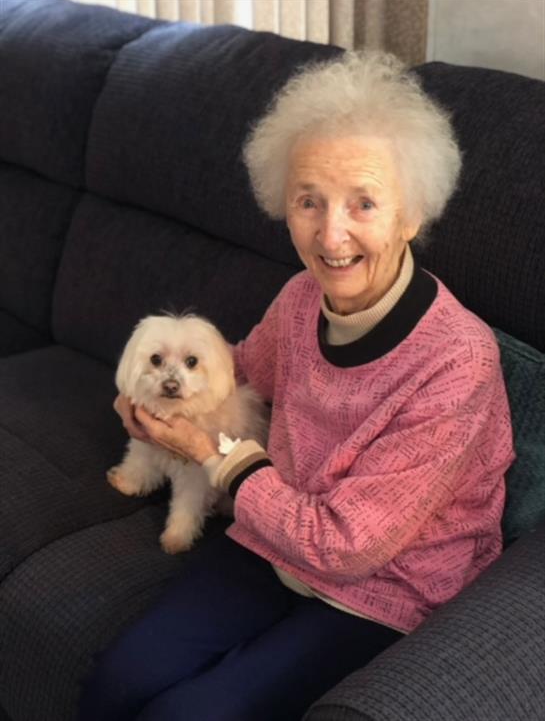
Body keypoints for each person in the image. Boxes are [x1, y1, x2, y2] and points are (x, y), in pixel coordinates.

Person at [78, 51, 515, 721]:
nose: (331, 235)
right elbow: (243, 367)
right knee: (115, 680)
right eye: (308, 200)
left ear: (410, 215)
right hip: (274, 537)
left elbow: (345, 547)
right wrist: (157, 385)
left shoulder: (457, 363)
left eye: (363, 202)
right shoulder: (299, 299)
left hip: (382, 586)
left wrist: (211, 453)